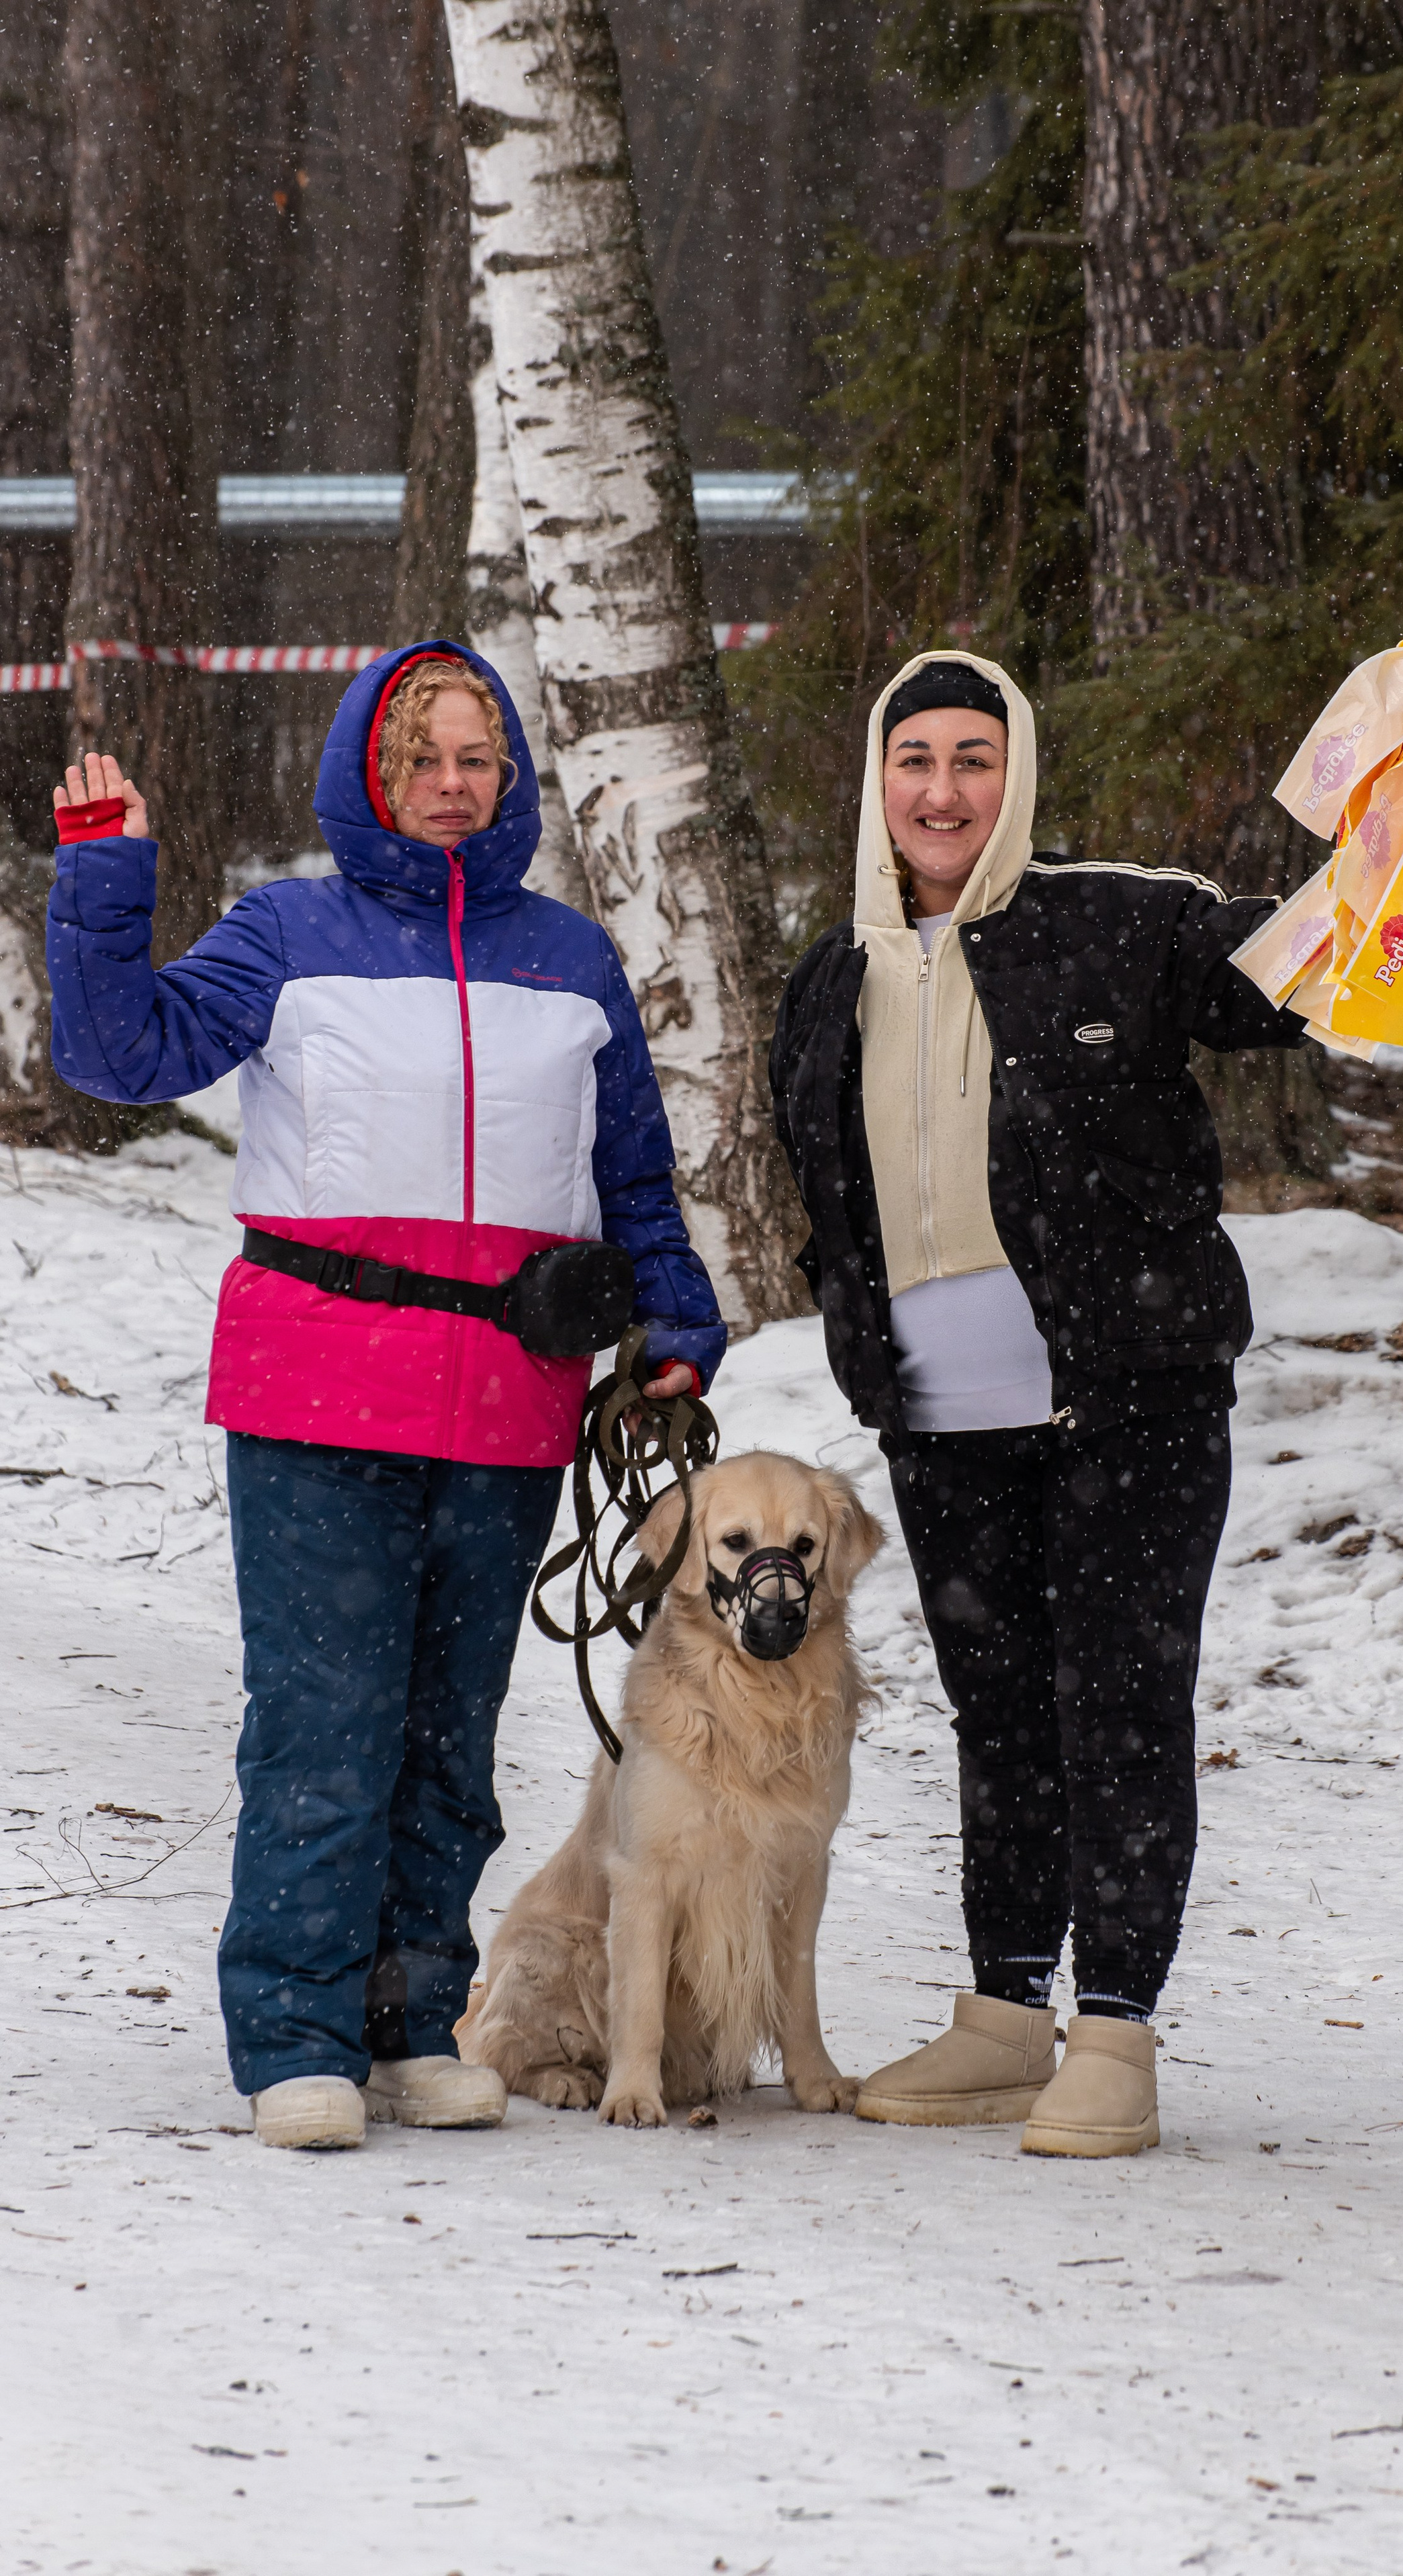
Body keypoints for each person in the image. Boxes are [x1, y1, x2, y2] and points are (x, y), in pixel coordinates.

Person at [46, 643, 725, 2151]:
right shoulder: (289, 930)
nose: (449, 782)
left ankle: (415, 2020)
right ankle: (294, 2030)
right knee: (323, 1718)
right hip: (317, 1389)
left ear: (510, 778)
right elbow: (116, 1053)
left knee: (447, 1731)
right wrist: (103, 885)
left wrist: (673, 1319)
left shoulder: (568, 956)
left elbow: (629, 1174)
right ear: (368, 767)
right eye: (420, 755)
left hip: (510, 1394)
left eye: (475, 757)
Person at [770, 650, 1304, 2158]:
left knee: (1117, 1713)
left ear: (1015, 781)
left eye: (973, 760)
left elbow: (1293, 975)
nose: (942, 790)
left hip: (1125, 1400)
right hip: (938, 1417)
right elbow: (824, 1188)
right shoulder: (834, 973)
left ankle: (1116, 2033)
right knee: (996, 1716)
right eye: (916, 759)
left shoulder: (1115, 921)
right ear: (876, 780)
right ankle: (1005, 2017)